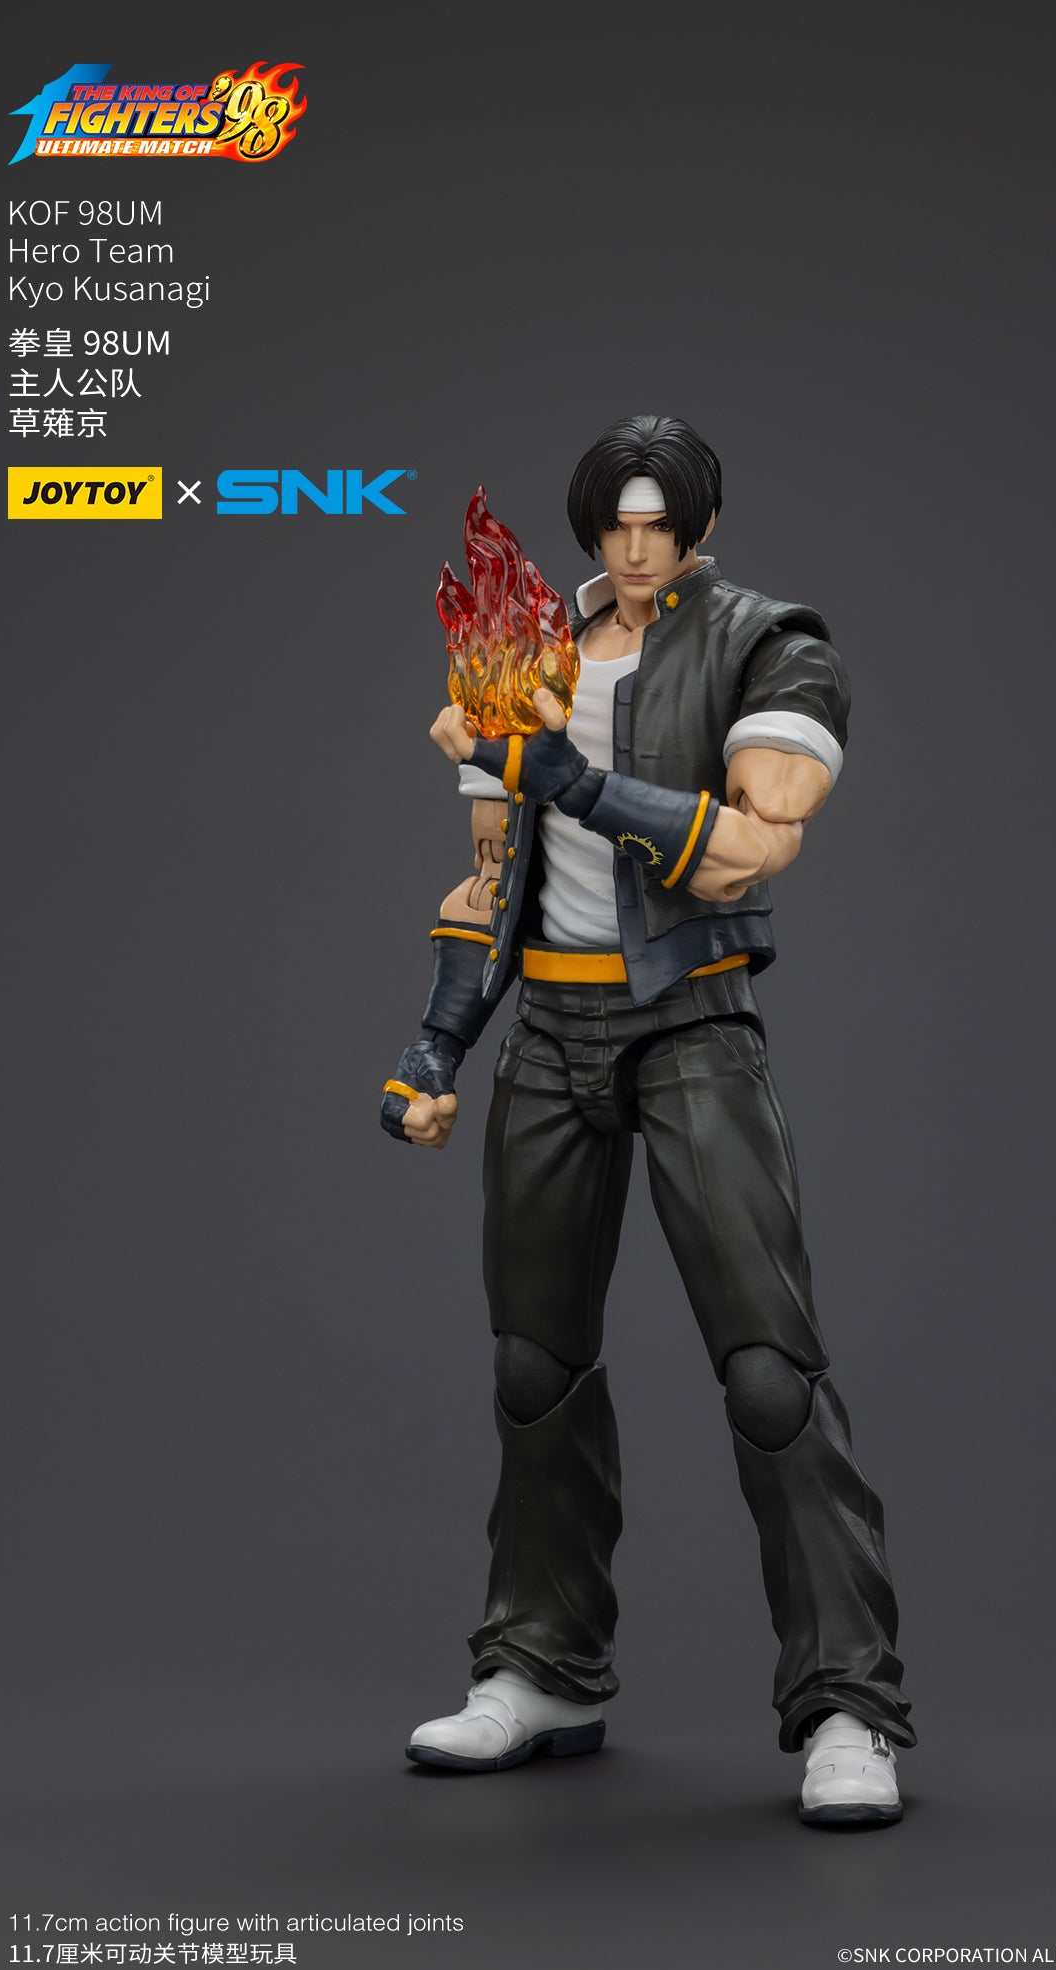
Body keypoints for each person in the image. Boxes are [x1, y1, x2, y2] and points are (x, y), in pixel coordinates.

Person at [381, 415, 914, 1824]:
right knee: (532, 1367)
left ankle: (847, 1704)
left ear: (697, 524)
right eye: (613, 524)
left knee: (768, 1373)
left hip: (689, 1024)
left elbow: (757, 842)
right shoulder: (520, 648)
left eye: (656, 522)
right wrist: (438, 1043)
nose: (634, 547)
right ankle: (543, 1666)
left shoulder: (764, 640)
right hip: (548, 1034)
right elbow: (490, 876)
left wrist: (582, 783)